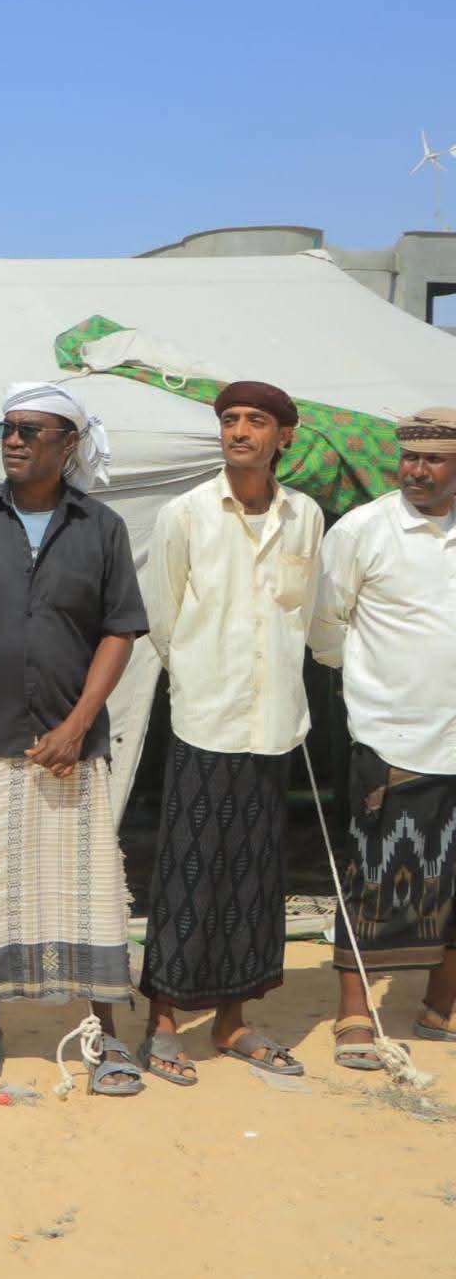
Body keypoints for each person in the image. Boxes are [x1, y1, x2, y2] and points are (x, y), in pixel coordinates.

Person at [0, 381, 151, 1096]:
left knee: (87, 892)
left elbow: (120, 630)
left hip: (69, 741)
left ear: (68, 444)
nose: (13, 441)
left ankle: (106, 1034)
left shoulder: (101, 528)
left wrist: (77, 724)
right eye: (7, 429)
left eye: (30, 430)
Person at [133, 382, 320, 1084]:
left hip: (274, 722)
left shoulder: (306, 516)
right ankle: (161, 1023)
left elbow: (304, 611)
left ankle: (232, 1021)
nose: (240, 430)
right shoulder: (184, 514)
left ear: (284, 436)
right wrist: (200, 676)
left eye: (256, 420)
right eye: (230, 420)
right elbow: (163, 618)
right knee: (188, 870)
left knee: (254, 875)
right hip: (205, 719)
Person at [308, 406, 456, 1067]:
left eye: (434, 460)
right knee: (374, 875)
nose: (417, 470)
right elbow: (325, 624)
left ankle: (440, 1008)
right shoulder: (363, 530)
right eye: (410, 457)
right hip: (392, 735)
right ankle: (354, 1015)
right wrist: (375, 685)